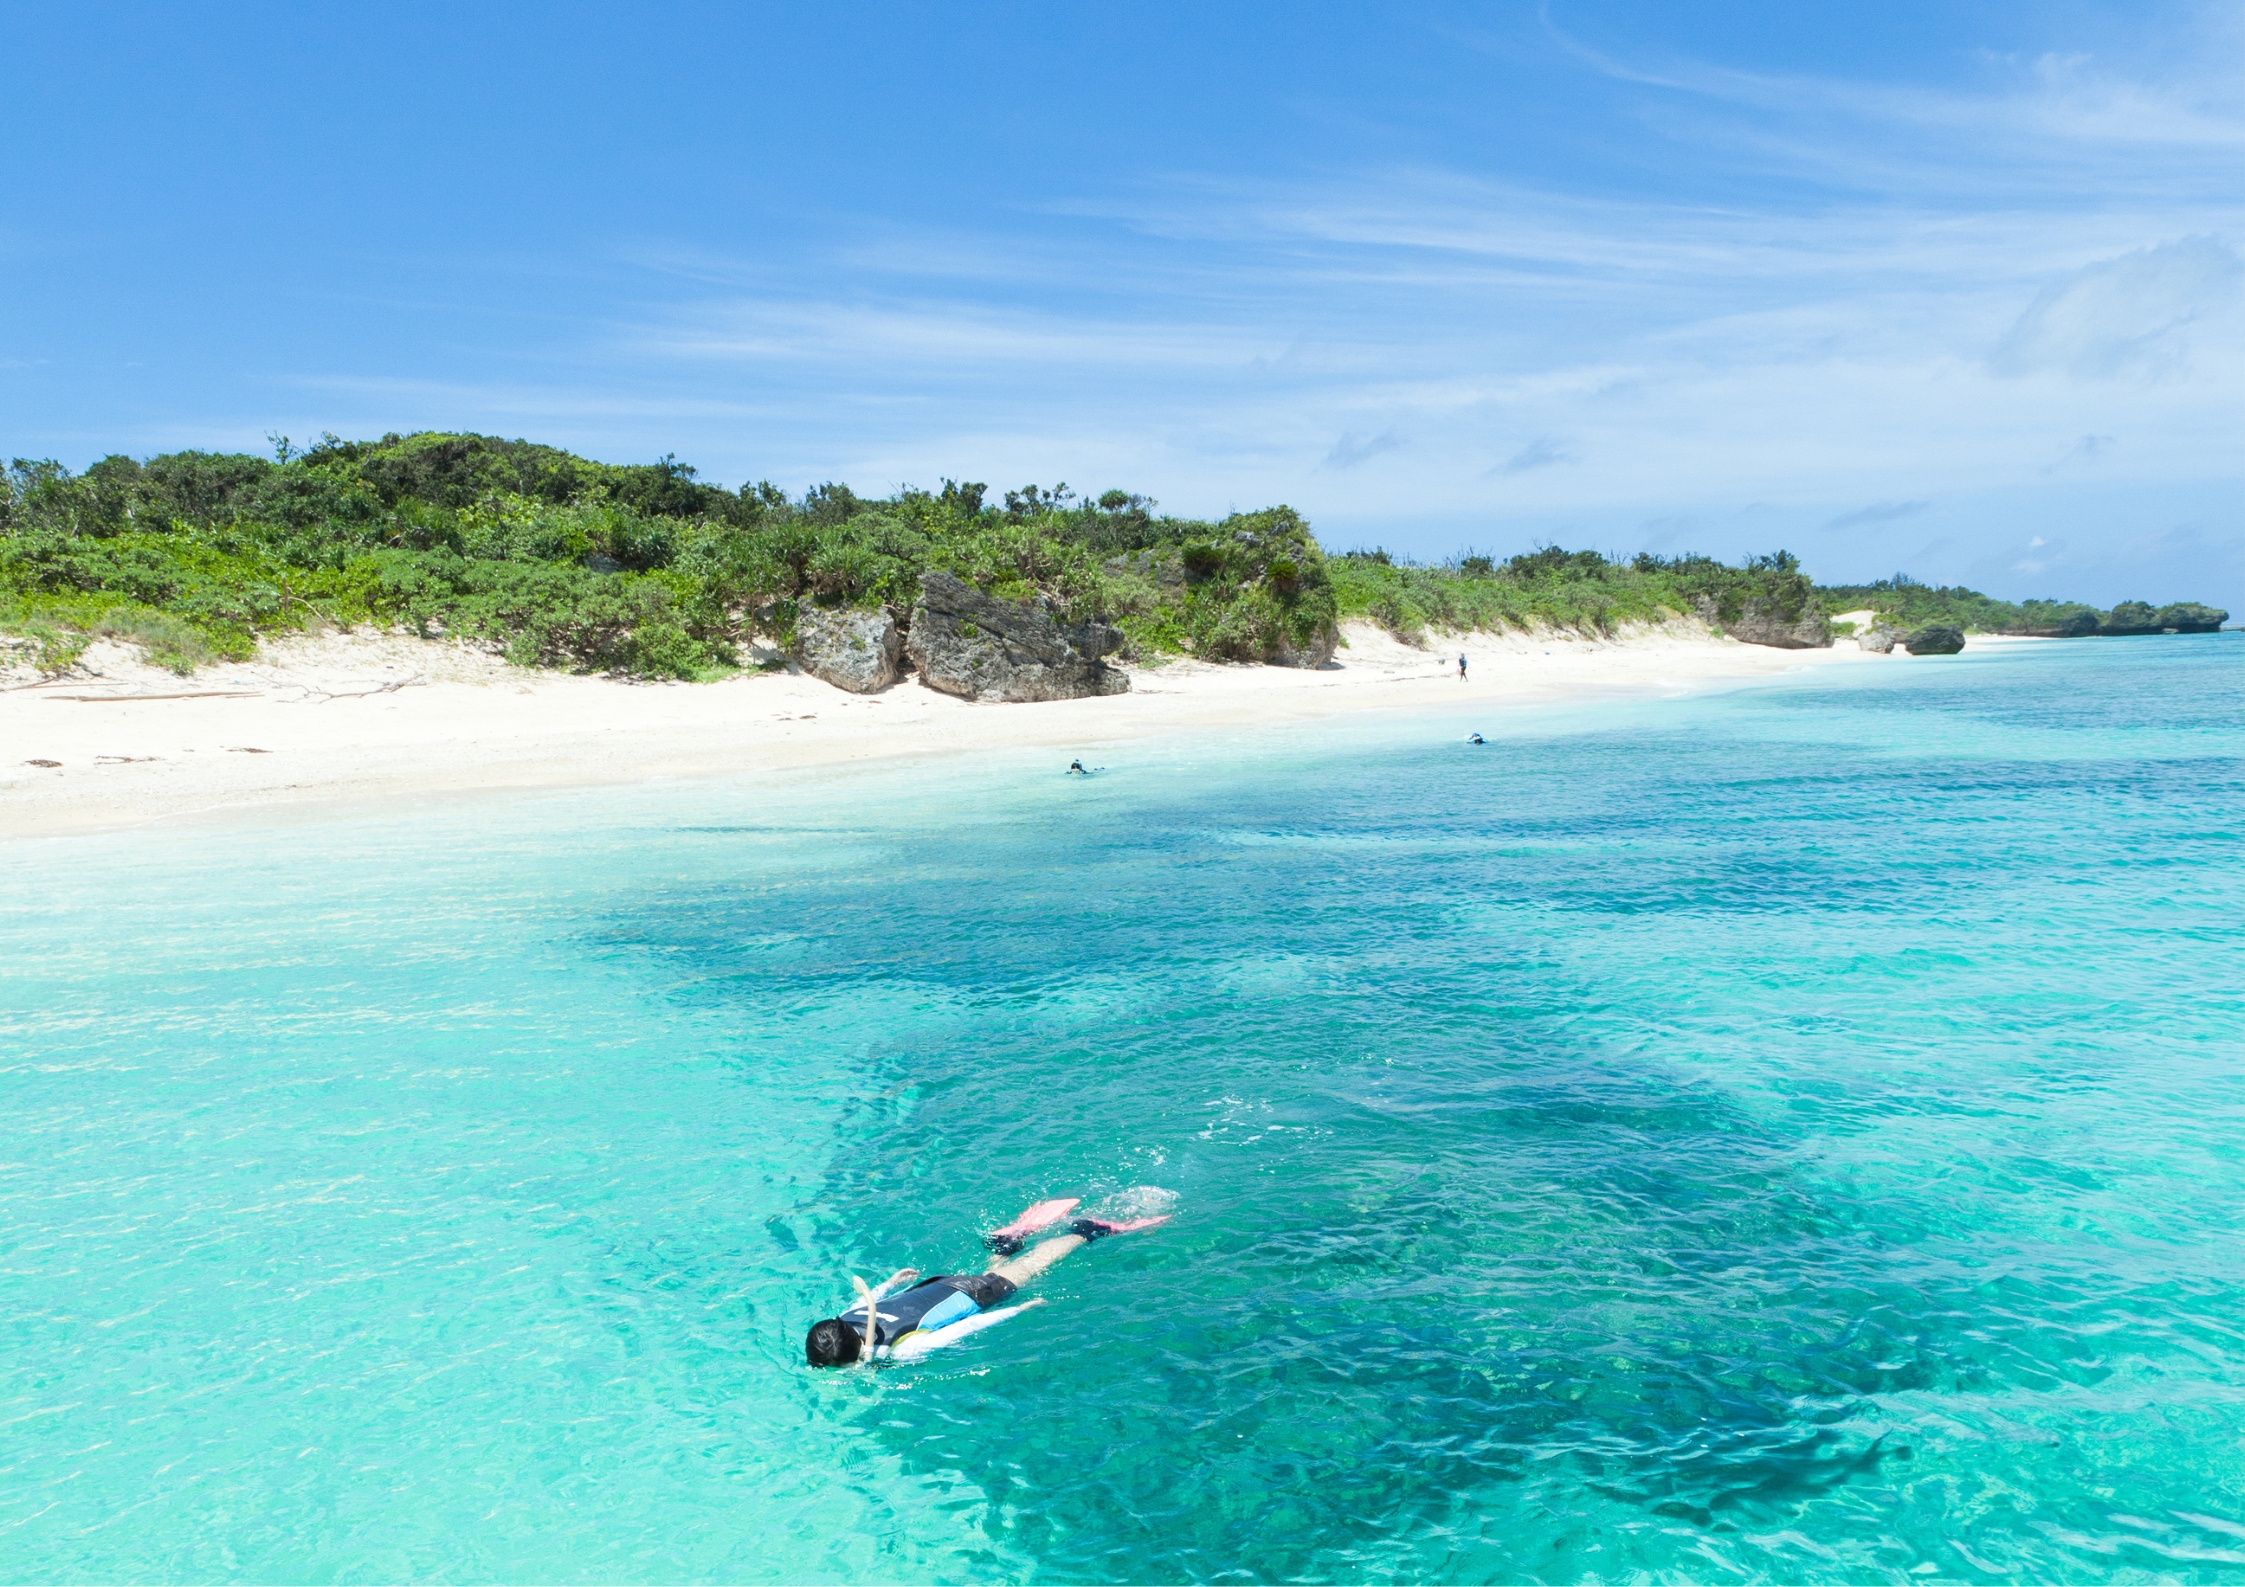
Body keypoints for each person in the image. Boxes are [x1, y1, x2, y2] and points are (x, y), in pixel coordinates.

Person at [803, 1197, 1168, 1367]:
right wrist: (893, 1280)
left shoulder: (904, 1351)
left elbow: (970, 1326)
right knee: (996, 1269)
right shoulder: (845, 1320)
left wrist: (1019, 1310)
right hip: (934, 1286)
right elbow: (871, 1299)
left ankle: (1087, 1230)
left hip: (975, 1294)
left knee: (1037, 1263)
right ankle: (1005, 1243)